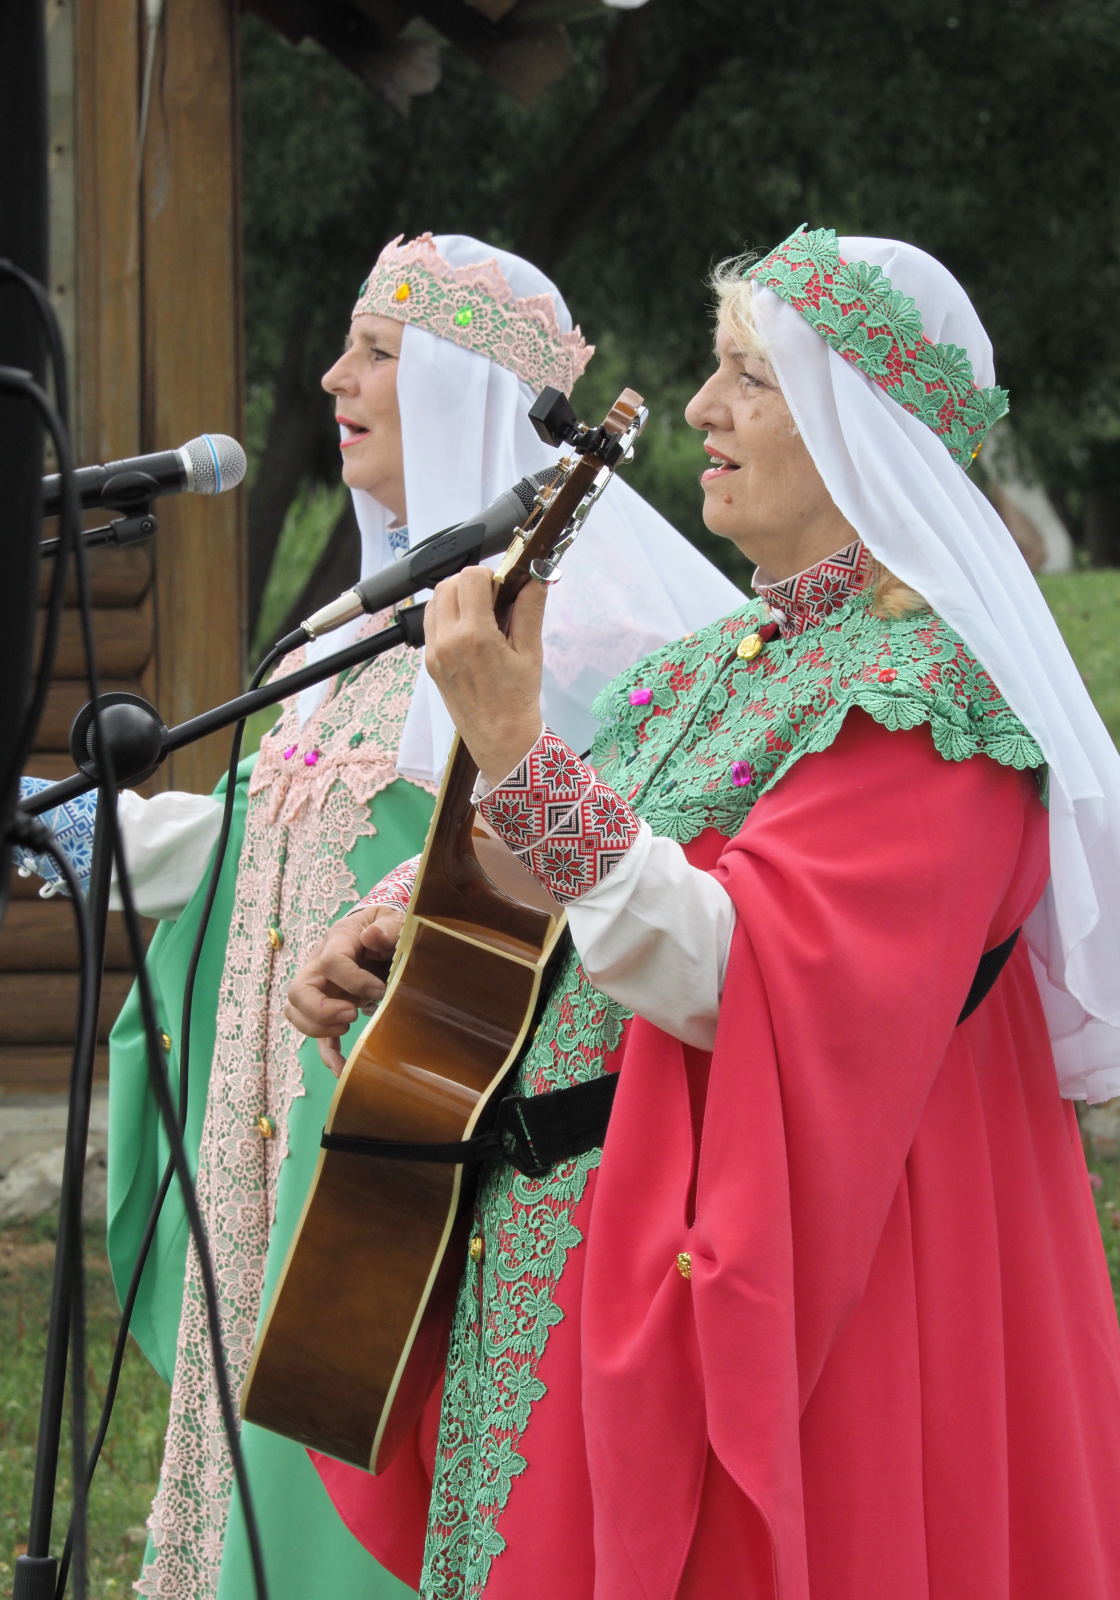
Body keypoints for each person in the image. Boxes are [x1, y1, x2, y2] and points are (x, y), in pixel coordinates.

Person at [288, 226, 1120, 1599]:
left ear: (857, 427)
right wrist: (404, 926)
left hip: (792, 1289)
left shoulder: (928, 706)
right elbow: (593, 855)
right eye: (717, 369)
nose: (702, 408)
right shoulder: (729, 652)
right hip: (577, 1243)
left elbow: (743, 975)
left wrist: (517, 750)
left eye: (749, 379)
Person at [17, 232, 739, 1600]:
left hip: (405, 1137)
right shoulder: (355, 632)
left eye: (379, 353)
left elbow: (596, 870)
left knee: (360, 1495)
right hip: (269, 1121)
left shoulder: (571, 637)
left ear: (466, 391)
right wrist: (67, 825)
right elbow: (258, 850)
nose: (334, 379)